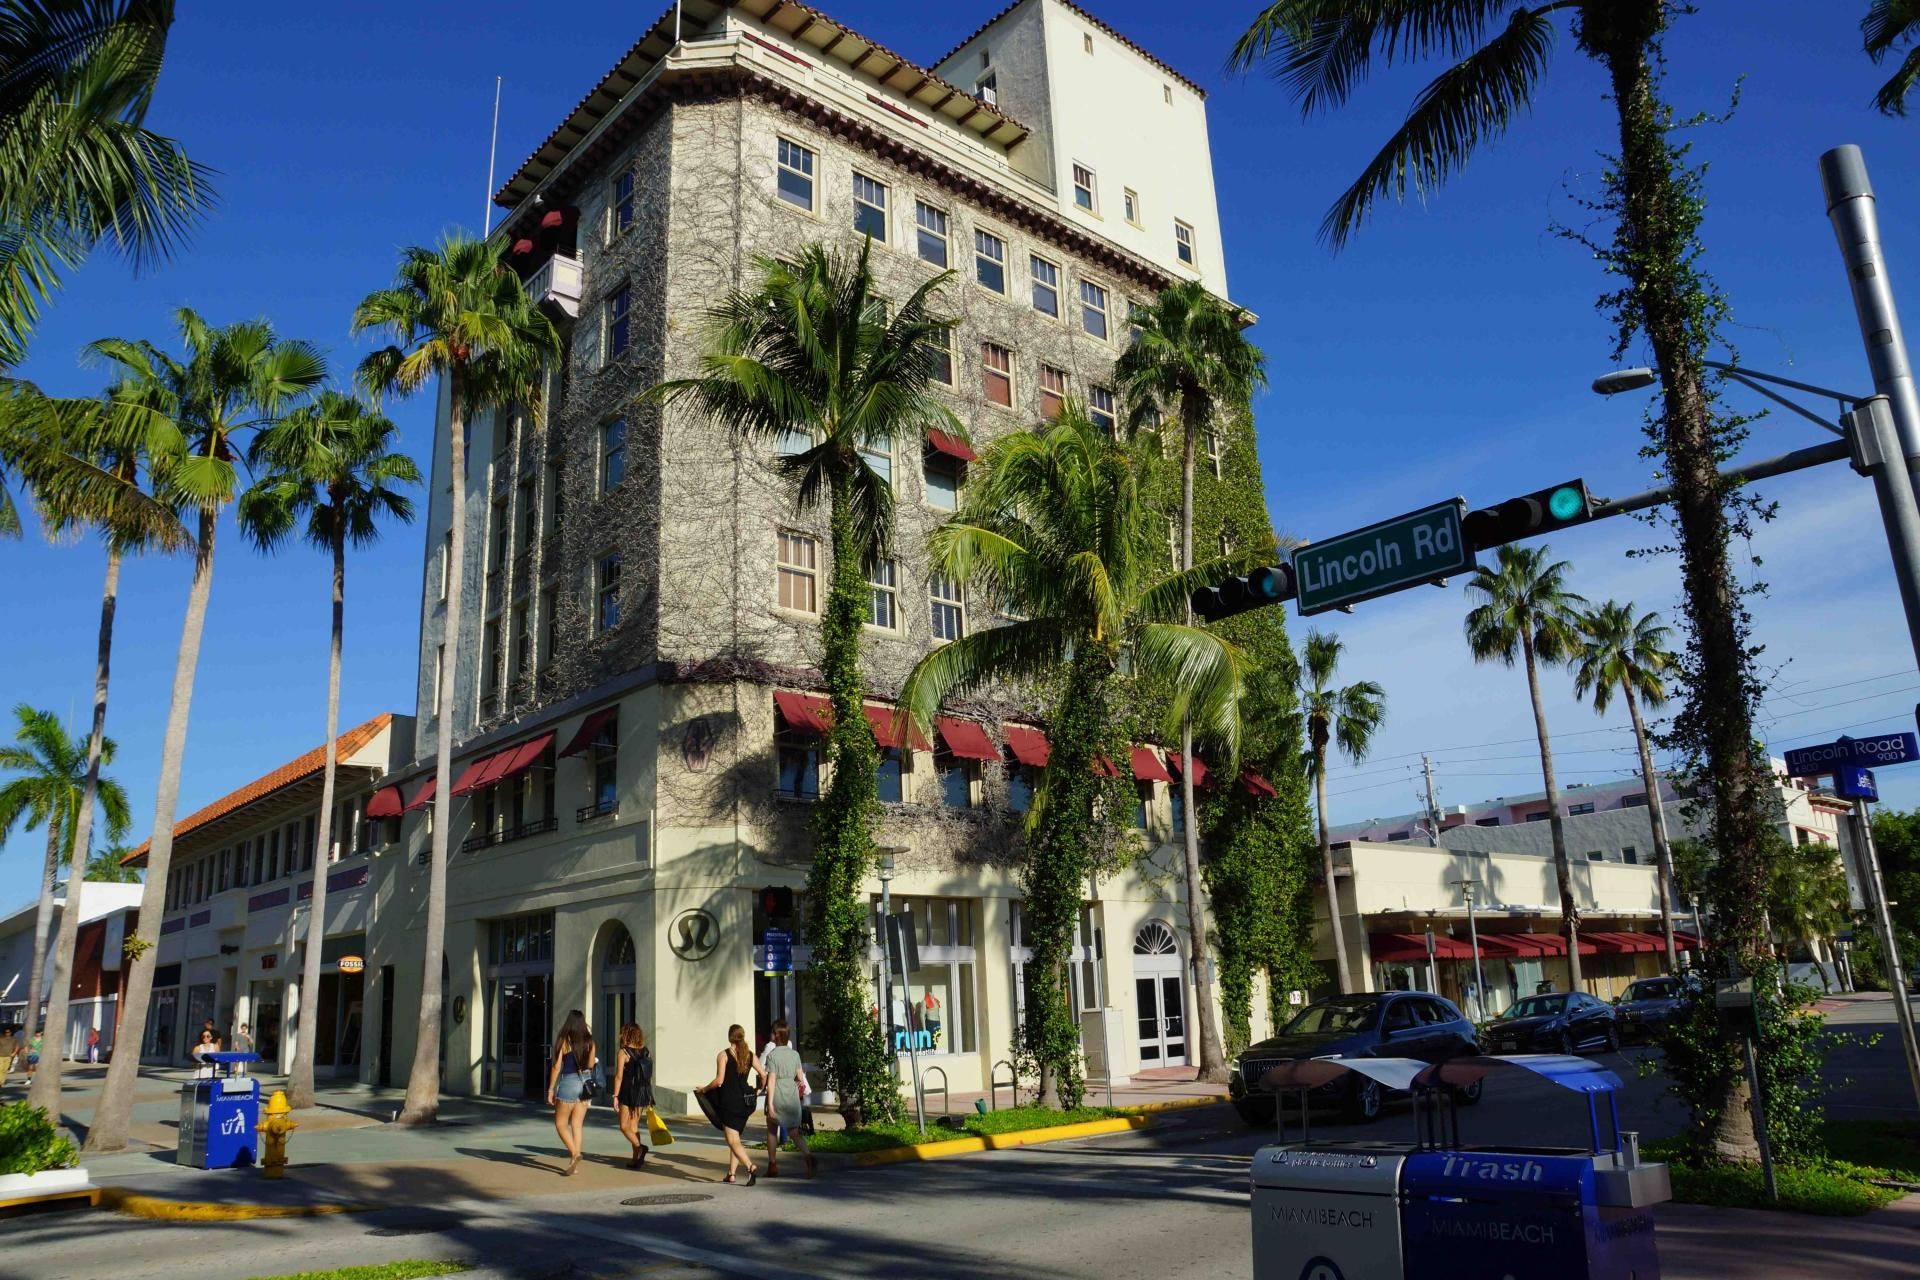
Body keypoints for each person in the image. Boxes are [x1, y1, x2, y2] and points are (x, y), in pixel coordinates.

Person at [700, 1024, 762, 1185]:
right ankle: (731, 1174)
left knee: (732, 1141)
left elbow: (719, 1081)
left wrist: (704, 1089)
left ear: (730, 1037)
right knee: (736, 1138)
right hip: (745, 1103)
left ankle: (750, 1166)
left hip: (729, 1102)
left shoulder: (724, 1055)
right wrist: (758, 1090)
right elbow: (763, 1074)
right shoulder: (750, 1055)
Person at [761, 1020, 814, 1178]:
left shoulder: (772, 1056)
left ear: (776, 1036)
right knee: (794, 1132)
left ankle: (772, 1165)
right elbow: (800, 1078)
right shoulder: (795, 1054)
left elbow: (771, 1081)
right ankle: (808, 1156)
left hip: (777, 1095)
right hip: (792, 1096)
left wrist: (770, 1104)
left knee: (772, 1130)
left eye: (772, 1032)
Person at [546, 1009, 596, 1177]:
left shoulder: (564, 1040)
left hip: (569, 1082)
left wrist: (550, 1089)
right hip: (585, 1083)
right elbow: (590, 1065)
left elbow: (556, 1067)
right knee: (577, 1125)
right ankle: (573, 1163)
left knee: (561, 1124)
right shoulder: (590, 1041)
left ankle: (575, 1153)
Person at [612, 1023, 654, 1169]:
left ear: (626, 1035)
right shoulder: (646, 1051)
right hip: (642, 1092)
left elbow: (619, 1076)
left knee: (624, 1126)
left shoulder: (623, 1052)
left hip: (628, 1091)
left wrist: (615, 1096)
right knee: (634, 1126)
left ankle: (640, 1147)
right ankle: (636, 1159)